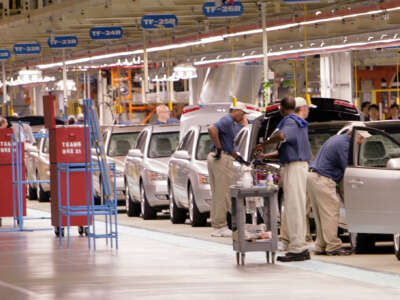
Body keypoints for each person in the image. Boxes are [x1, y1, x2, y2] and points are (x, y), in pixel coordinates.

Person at [257, 96, 312, 262]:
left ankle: (298, 249)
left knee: (294, 208)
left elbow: (281, 136)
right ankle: (298, 245)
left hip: (295, 167)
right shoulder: (297, 123)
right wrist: (265, 155)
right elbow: (283, 149)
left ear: (281, 108)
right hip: (295, 166)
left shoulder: (290, 121)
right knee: (293, 208)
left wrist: (265, 143)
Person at [307, 128, 369, 255]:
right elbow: (348, 169)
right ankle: (333, 247)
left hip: (313, 177)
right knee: (330, 213)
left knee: (321, 215)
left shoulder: (337, 139)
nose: (361, 141)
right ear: (353, 134)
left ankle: (321, 245)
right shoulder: (345, 145)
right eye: (361, 138)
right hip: (323, 178)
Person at [207, 102, 249, 238]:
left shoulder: (229, 122)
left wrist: (241, 160)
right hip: (221, 158)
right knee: (223, 194)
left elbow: (230, 148)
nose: (242, 117)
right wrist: (219, 148)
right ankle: (221, 226)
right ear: (236, 111)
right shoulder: (227, 120)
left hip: (220, 156)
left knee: (217, 193)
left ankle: (216, 225)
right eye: (242, 114)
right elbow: (212, 129)